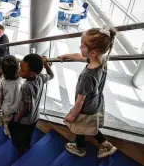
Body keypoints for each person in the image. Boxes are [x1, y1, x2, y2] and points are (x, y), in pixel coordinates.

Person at [58, 27, 117, 158]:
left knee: (80, 127)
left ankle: (80, 149)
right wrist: (67, 56)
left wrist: (73, 115)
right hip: (95, 103)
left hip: (85, 109)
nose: (80, 47)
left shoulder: (87, 76)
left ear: (93, 52)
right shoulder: (101, 61)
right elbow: (81, 57)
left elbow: (80, 101)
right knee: (89, 126)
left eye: (82, 46)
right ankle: (105, 144)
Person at [8, 54, 54, 156]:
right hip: (35, 116)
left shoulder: (26, 87)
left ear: (32, 74)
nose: (19, 70)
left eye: (22, 70)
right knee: (29, 133)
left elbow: (27, 107)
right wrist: (46, 65)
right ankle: (27, 145)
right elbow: (51, 75)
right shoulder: (41, 77)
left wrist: (18, 117)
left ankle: (19, 147)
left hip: (25, 120)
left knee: (13, 127)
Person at [0, 55, 22, 138]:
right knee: (17, 121)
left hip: (7, 108)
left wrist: (0, 105)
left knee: (7, 122)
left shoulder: (1, 82)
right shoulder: (20, 80)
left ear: (3, 70)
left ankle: (8, 133)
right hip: (18, 108)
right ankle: (17, 131)